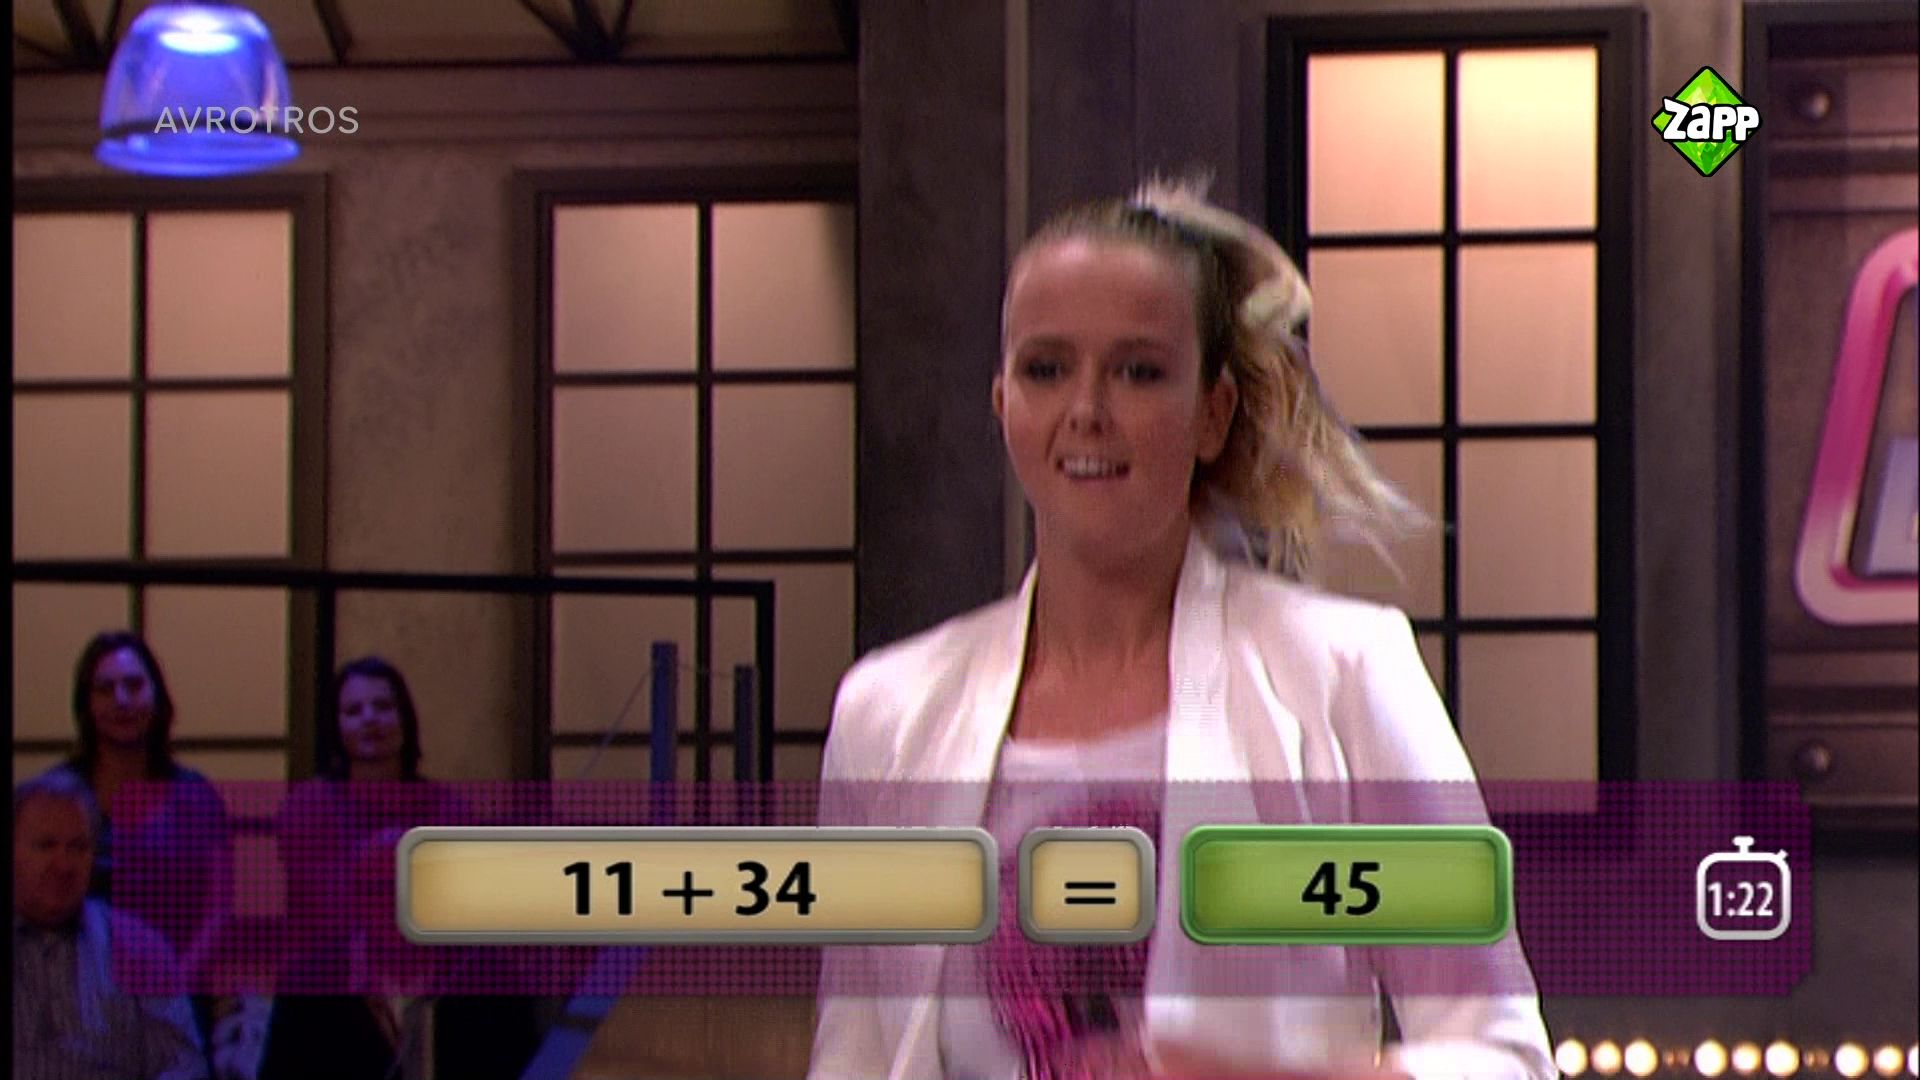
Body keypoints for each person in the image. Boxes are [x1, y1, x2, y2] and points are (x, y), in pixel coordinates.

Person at [807, 178, 1557, 1079]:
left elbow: (1506, 1057)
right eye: (1046, 369)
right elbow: (853, 1057)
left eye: (1138, 371)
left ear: (1213, 413)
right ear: (1002, 403)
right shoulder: (888, 712)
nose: (1087, 409)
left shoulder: (1342, 673)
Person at [260, 655, 538, 1080]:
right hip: (341, 992)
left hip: (435, 977)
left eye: (383, 706)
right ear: (335, 726)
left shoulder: (448, 811)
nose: (370, 719)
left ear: (405, 717)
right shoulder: (307, 810)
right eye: (354, 710)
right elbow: (311, 917)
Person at [44, 631, 234, 1054]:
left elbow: (219, 911)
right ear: (85, 704)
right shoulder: (54, 796)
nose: (122, 700)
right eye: (105, 689)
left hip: (176, 998)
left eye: (134, 685)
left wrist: (171, 986)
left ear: (157, 696)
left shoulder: (196, 795)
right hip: (70, 1002)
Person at [14, 770, 208, 1080]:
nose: (63, 865)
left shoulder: (139, 949)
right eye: (46, 845)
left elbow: (183, 1065)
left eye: (78, 847)